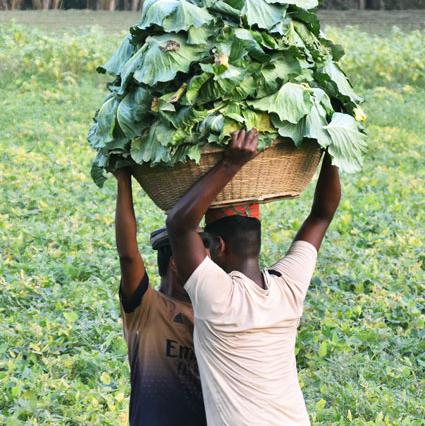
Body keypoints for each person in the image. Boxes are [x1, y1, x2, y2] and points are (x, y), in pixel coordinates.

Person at [165, 129, 341, 425]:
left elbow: (179, 225)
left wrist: (231, 164)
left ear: (219, 247)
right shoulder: (287, 287)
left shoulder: (218, 296)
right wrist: (334, 146)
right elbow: (322, 215)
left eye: (206, 243)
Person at [113, 168, 206, 426]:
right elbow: (128, 255)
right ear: (176, 263)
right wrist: (124, 181)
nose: (212, 268)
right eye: (204, 259)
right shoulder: (147, 308)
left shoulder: (213, 306)